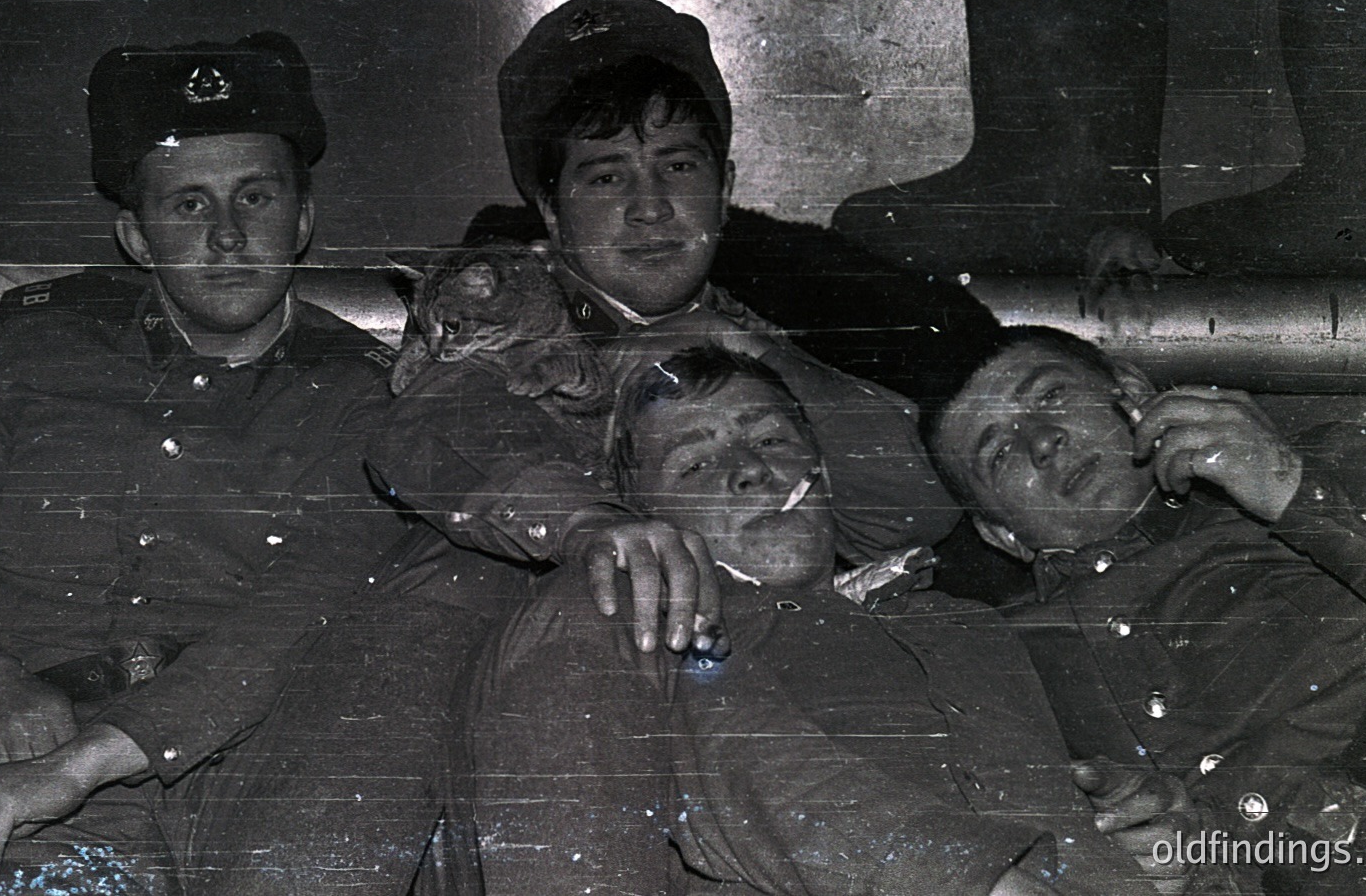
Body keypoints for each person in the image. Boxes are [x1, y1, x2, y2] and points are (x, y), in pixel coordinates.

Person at [0, 33, 518, 896]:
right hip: (21, 757)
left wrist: (83, 764)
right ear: (135, 235)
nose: (228, 235)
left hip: (253, 773)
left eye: (256, 197)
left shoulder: (369, 400)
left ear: (302, 220)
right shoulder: (36, 341)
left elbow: (291, 621)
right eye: (188, 205)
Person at [365, 0, 978, 656]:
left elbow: (914, 509)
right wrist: (585, 523)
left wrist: (737, 345)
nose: (649, 208)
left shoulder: (763, 329)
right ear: (549, 209)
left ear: (725, 190)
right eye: (605, 178)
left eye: (678, 167)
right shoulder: (502, 319)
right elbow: (425, 431)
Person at [459, 346, 1178, 895]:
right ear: (647, 518)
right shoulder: (646, 615)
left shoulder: (968, 624)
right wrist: (968, 875)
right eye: (696, 467)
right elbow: (737, 762)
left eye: (771, 442)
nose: (749, 471)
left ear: (821, 473)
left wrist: (1158, 823)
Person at [922, 325, 1366, 893]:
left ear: (1130, 391)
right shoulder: (996, 656)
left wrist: (1287, 485)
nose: (1042, 441)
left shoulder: (1329, 465)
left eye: (1050, 397)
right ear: (1001, 535)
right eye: (999, 453)